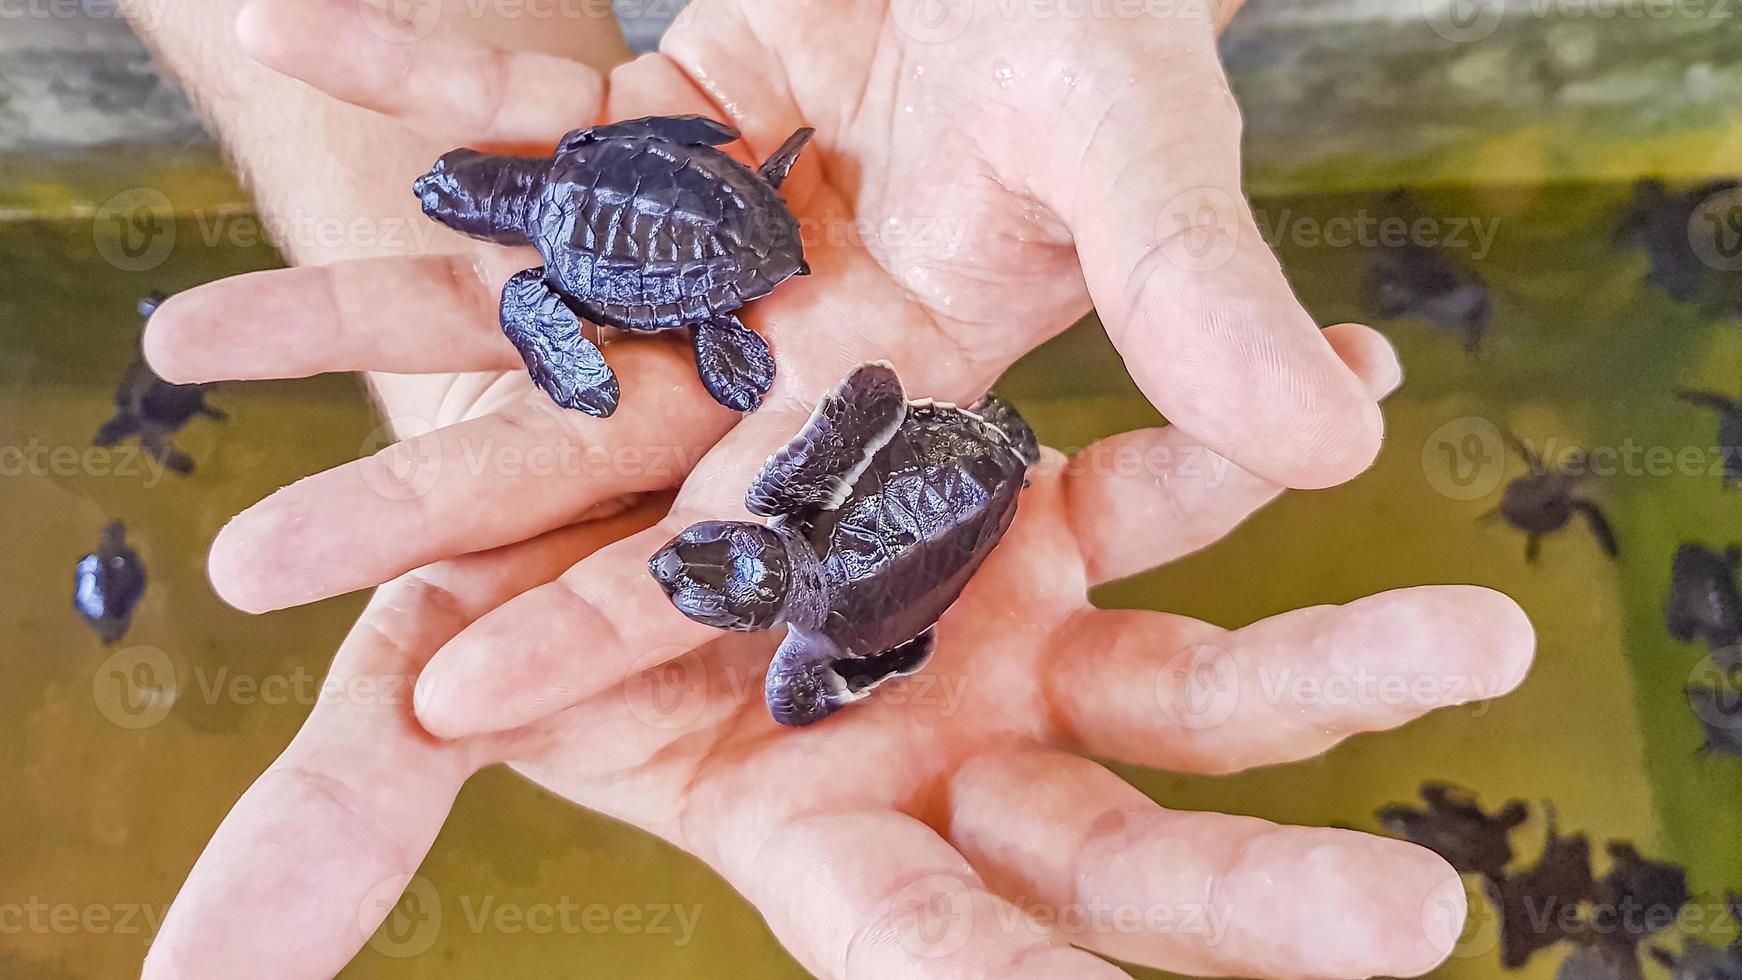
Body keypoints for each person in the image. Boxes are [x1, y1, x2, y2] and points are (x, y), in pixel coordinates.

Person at [123, 0, 1536, 976]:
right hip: (825, 329)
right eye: (706, 571)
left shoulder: (807, 588)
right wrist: (493, 409)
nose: (695, 574)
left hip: (875, 401)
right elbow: (839, 407)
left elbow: (855, 477)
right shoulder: (788, 517)